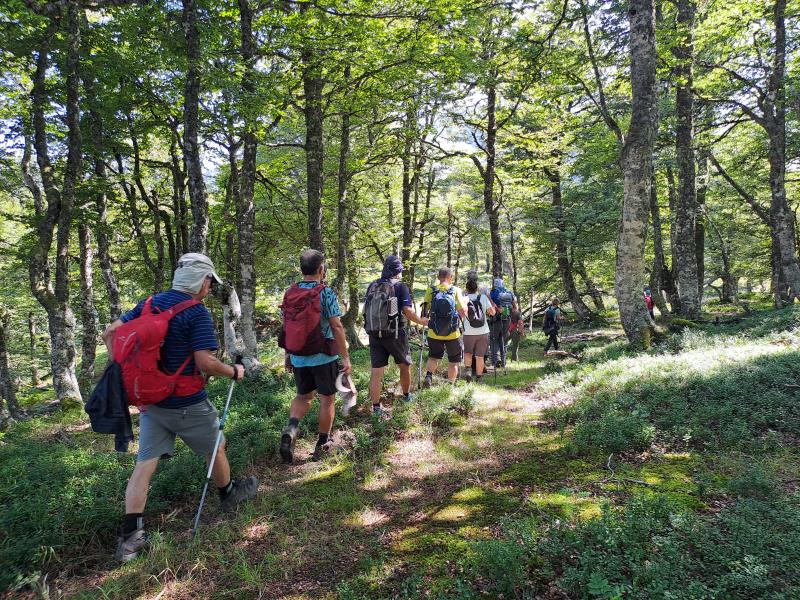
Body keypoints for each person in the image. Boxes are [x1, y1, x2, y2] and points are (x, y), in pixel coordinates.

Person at [101, 252, 258, 563]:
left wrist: (124, 368)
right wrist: (234, 371)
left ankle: (130, 539)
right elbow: (205, 362)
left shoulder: (149, 303)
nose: (210, 287)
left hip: (150, 403)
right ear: (203, 281)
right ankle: (228, 495)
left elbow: (109, 332)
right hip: (186, 402)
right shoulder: (196, 313)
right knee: (217, 446)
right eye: (210, 281)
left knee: (145, 464)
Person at [279, 250, 352, 464]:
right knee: (327, 398)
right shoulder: (325, 292)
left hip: (299, 355)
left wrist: (288, 354)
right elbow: (336, 325)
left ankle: (291, 428)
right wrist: (345, 357)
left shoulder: (290, 292)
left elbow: (287, 326)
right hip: (323, 356)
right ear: (321, 269)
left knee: (303, 397)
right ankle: (323, 443)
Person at [364, 256, 429, 416]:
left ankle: (376, 408)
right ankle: (406, 396)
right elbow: (408, 312)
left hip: (374, 334)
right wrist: (422, 321)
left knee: (376, 372)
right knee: (404, 365)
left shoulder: (373, 284)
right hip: (395, 334)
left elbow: (366, 309)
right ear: (398, 271)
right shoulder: (400, 287)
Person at [422, 267, 467, 386]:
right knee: (453, 361)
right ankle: (450, 385)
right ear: (450, 278)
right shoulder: (455, 290)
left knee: (433, 357)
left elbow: (424, 312)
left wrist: (427, 322)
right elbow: (462, 312)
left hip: (434, 332)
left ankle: (428, 376)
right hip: (453, 333)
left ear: (438, 278)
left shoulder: (431, 290)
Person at [462, 273, 495, 382]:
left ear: (466, 289)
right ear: (477, 289)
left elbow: (460, 314)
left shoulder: (464, 299)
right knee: (480, 356)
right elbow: (493, 312)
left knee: (467, 353)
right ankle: (479, 378)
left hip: (468, 331)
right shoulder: (483, 297)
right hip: (483, 331)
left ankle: (468, 371)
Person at [489, 278, 518, 368]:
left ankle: (496, 360)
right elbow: (515, 307)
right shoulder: (509, 293)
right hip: (507, 319)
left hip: (496, 319)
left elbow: (490, 306)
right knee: (504, 339)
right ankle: (504, 361)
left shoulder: (493, 293)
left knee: (494, 339)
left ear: (495, 284)